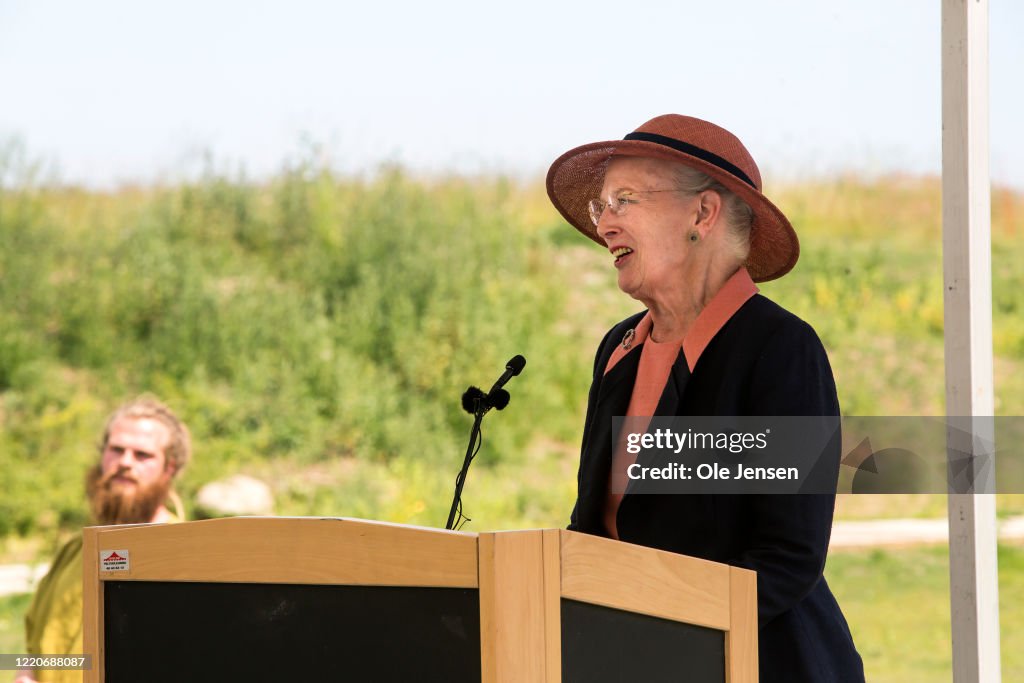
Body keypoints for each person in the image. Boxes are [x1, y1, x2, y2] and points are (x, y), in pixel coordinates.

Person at [547, 115, 864, 681]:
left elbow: (785, 560)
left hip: (761, 662)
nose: (606, 225)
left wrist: (662, 631)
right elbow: (596, 530)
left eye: (624, 201)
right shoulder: (619, 350)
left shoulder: (780, 349)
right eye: (602, 207)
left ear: (702, 213)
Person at [16, 398, 191, 683]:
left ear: (169, 469)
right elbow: (34, 645)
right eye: (116, 450)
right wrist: (25, 674)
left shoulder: (189, 554)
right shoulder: (74, 550)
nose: (124, 462)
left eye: (142, 455)